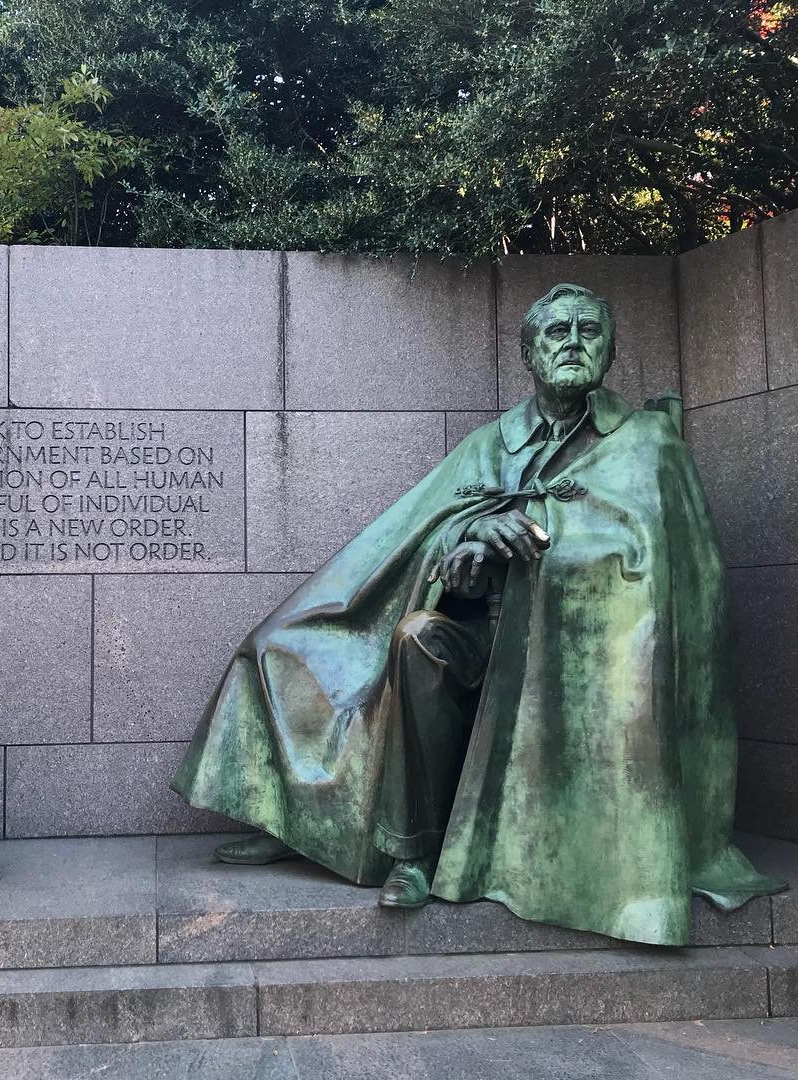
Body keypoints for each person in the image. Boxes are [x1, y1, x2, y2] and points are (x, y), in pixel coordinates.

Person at [171, 283, 786, 945]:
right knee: (380, 640)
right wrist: (466, 543)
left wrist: (540, 529)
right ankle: (390, 846)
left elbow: (664, 568)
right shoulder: (490, 445)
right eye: (556, 332)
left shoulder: (648, 442)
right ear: (529, 353)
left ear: (610, 350)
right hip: (484, 637)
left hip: (580, 658)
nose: (572, 344)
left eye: (588, 331)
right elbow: (421, 534)